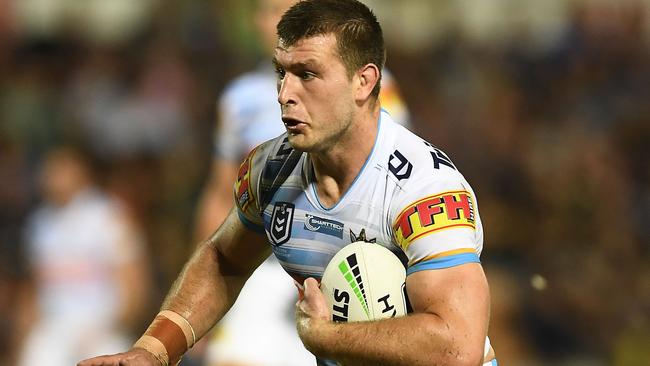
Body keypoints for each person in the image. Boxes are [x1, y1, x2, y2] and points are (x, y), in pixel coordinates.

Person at [78, 1, 496, 365]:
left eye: (307, 74)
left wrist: (325, 337)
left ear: (364, 82)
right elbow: (225, 259)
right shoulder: (270, 169)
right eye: (282, 72)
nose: (284, 93)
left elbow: (458, 348)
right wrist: (154, 350)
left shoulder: (425, 192)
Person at [194, 0, 411, 365]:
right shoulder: (239, 99)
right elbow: (220, 193)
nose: (274, 22)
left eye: (284, 9)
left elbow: (394, 171)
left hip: (341, 266)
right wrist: (206, 291)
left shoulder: (370, 82)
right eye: (266, 12)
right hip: (263, 265)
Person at [18, 145, 150, 366]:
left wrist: (111, 327)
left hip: (103, 328)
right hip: (54, 329)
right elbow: (34, 289)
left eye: (61, 167)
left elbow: (134, 284)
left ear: (80, 169)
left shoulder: (109, 215)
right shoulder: (39, 223)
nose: (53, 175)